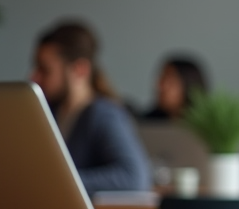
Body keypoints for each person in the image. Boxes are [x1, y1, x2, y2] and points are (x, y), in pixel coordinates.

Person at [30, 20, 150, 195]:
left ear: (80, 69)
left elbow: (134, 177)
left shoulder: (103, 114)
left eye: (45, 70)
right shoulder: (51, 113)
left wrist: (56, 182)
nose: (34, 77)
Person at [139, 55, 209, 120]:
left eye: (170, 81)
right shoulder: (147, 122)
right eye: (161, 79)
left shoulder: (205, 124)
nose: (159, 86)